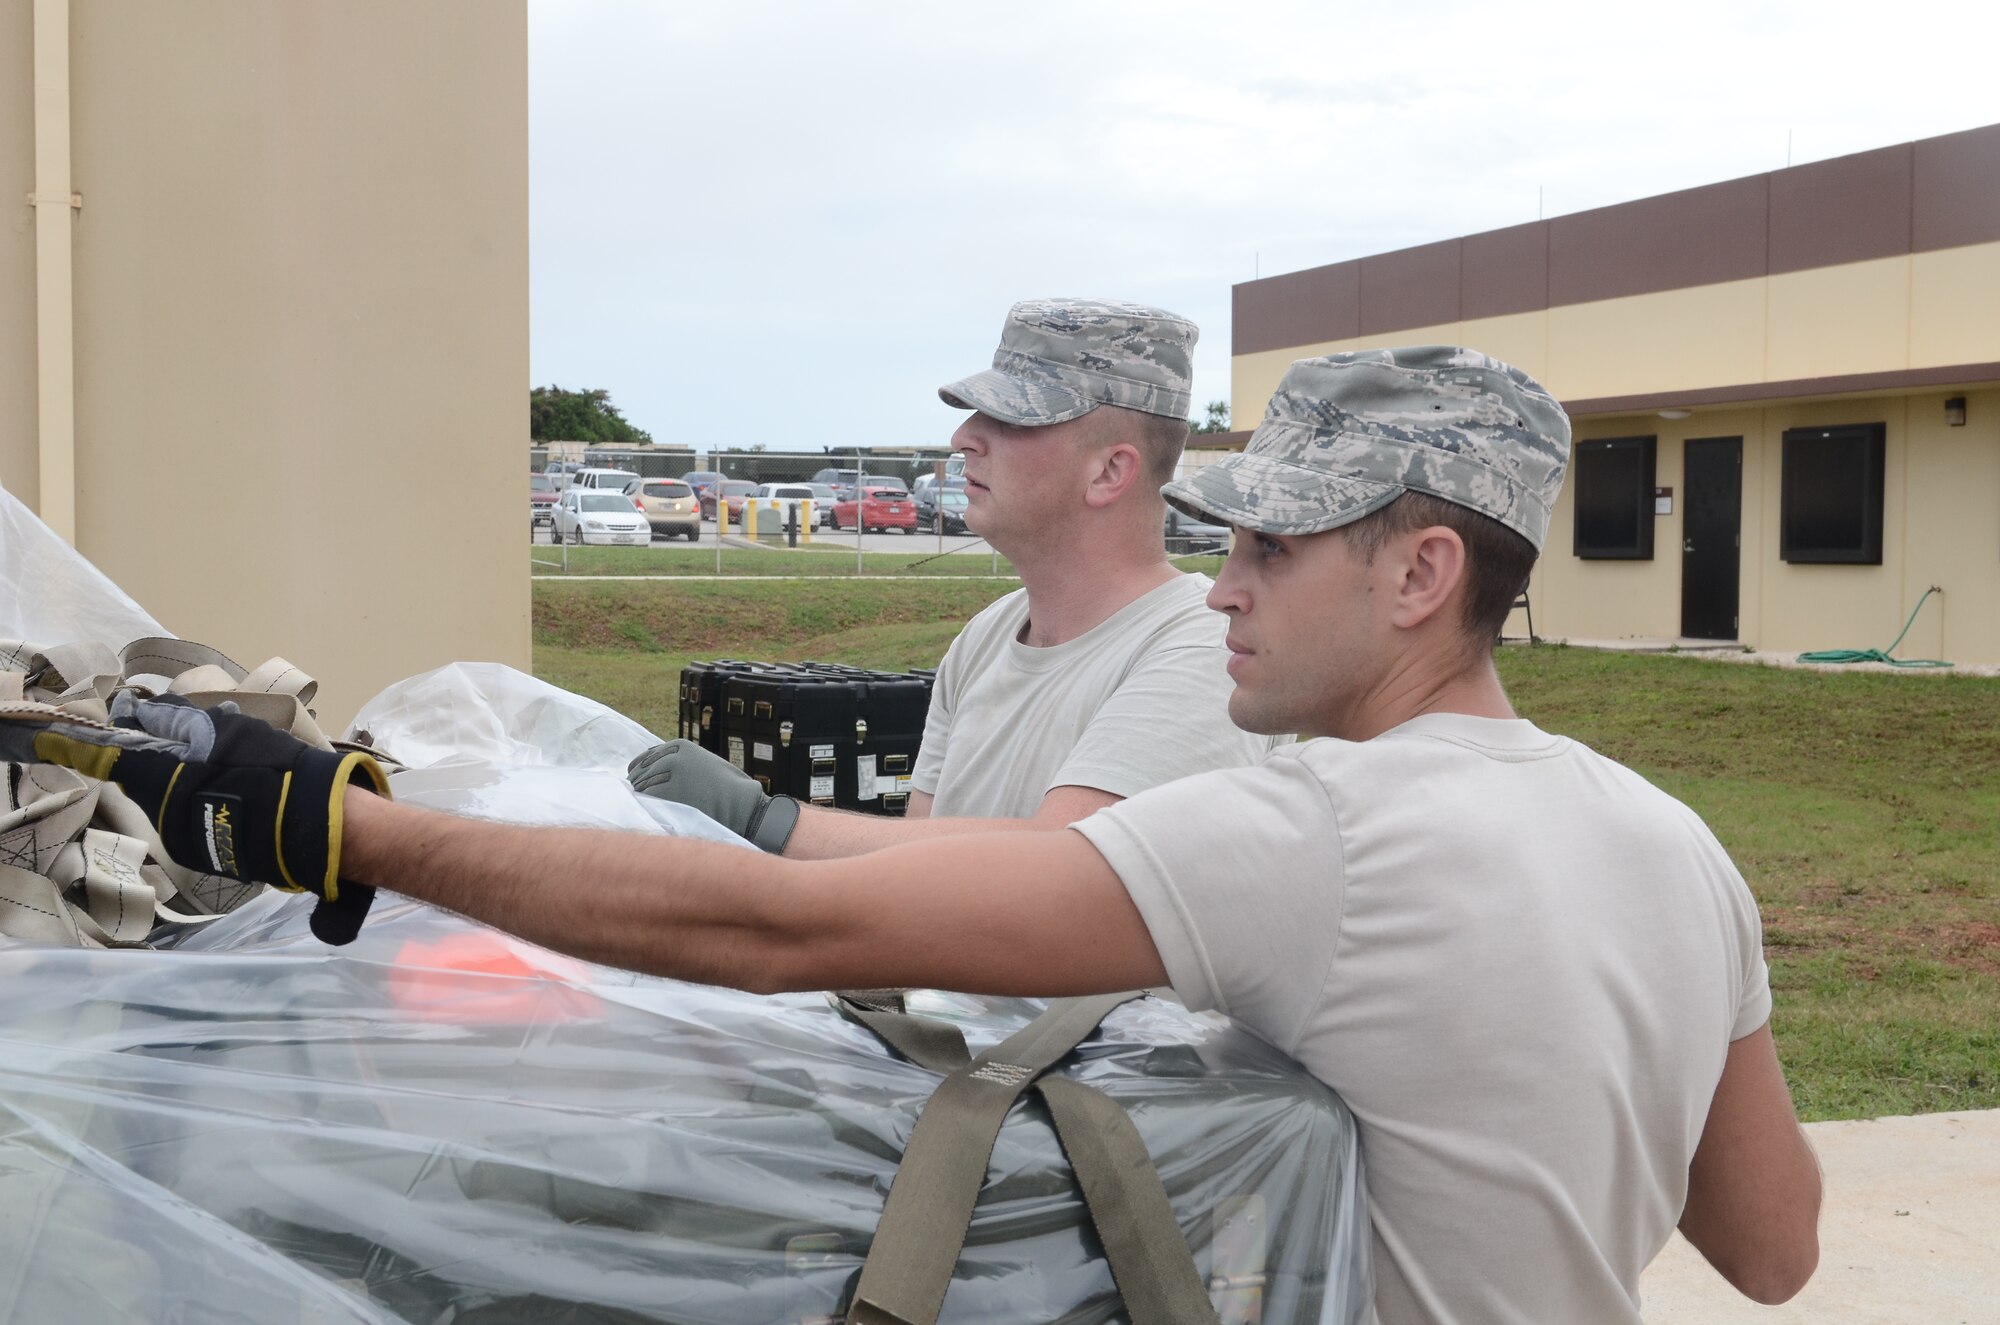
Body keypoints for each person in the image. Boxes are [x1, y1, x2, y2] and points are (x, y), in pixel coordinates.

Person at [35, 346, 1820, 1324]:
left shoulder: (1324, 830)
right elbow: (1774, 1246)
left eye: (1274, 553)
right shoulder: (1671, 844)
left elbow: (790, 950)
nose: (1230, 597)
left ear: (1422, 575)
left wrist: (350, 835)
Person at [626, 297, 1278, 856]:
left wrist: (764, 822)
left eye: (1013, 417)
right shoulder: (984, 640)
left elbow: (1057, 877)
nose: (965, 436)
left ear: (1110, 470)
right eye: (976, 413)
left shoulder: (1204, 650)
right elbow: (918, 869)